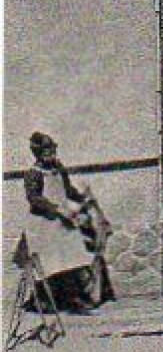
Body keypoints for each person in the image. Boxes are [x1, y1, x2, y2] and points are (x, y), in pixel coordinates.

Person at [18, 132, 103, 312]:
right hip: (43, 224)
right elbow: (34, 198)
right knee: (49, 263)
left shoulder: (58, 168)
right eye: (45, 150)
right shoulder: (33, 174)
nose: (50, 153)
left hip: (62, 222)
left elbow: (67, 189)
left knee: (73, 257)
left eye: (51, 149)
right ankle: (42, 300)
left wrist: (81, 198)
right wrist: (55, 209)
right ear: (37, 153)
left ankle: (72, 300)